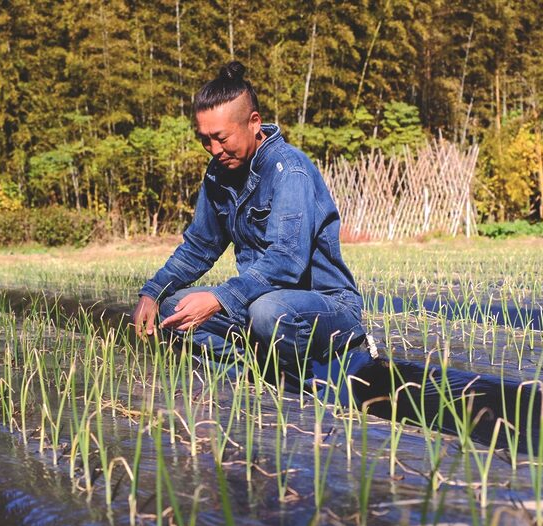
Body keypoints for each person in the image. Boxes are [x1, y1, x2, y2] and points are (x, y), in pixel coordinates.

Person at [132, 61, 375, 400]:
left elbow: (286, 261)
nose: (215, 150)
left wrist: (219, 298)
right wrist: (153, 292)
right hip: (259, 305)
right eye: (205, 140)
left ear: (254, 123)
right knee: (175, 308)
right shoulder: (218, 174)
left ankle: (308, 378)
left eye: (221, 138)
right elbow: (199, 246)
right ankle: (262, 370)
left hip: (320, 308)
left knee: (269, 312)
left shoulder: (290, 170)